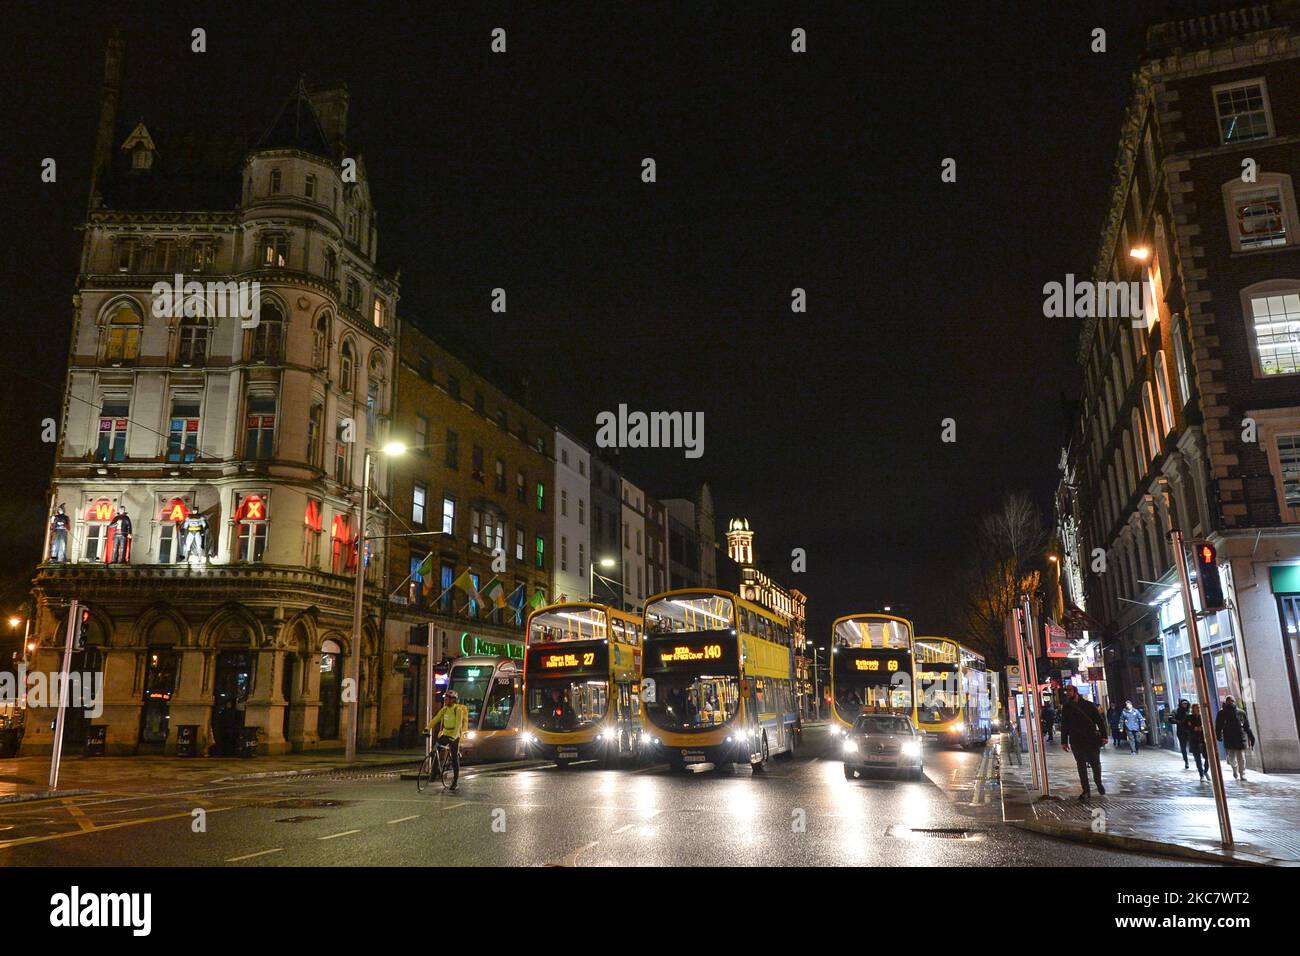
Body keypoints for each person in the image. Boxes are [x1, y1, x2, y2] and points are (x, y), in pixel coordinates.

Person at [1060, 684, 1108, 800]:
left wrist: (1104, 736)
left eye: (1070, 690)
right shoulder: (1066, 707)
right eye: (1067, 691)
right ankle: (1086, 790)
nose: (1068, 693)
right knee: (1081, 765)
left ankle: (1098, 783)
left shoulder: (1088, 705)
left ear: (1076, 692)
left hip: (1091, 739)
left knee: (1095, 763)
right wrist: (1064, 741)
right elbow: (1064, 725)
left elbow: (1099, 721)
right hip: (1076, 740)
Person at [427, 690, 469, 790]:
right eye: (444, 699)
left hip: (454, 735)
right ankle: (435, 771)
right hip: (445, 733)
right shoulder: (444, 709)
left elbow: (458, 725)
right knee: (435, 749)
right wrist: (427, 728)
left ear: (453, 700)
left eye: (447, 699)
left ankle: (455, 781)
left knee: (454, 758)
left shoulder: (457, 710)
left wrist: (453, 737)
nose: (445, 701)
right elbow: (435, 719)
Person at [1214, 696, 1255, 781]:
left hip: (1240, 738)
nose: (1230, 702)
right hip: (1229, 738)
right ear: (1226, 702)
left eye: (1232, 701)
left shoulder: (1241, 712)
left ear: (1234, 701)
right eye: (1229, 701)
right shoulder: (1222, 713)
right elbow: (1218, 726)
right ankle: (1234, 768)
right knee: (1231, 757)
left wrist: (1251, 736)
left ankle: (1242, 774)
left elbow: (1246, 726)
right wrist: (1218, 736)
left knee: (1242, 758)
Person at [1170, 699, 1193, 769]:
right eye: (1183, 704)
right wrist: (1179, 722)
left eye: (1186, 704)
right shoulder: (1176, 711)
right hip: (1181, 731)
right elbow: (1171, 719)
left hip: (1191, 731)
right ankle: (1186, 761)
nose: (1185, 705)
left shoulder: (1190, 710)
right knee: (1183, 747)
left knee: (1194, 746)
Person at [1188, 703, 1209, 780]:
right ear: (1193, 709)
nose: (1198, 709)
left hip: (1204, 740)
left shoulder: (1203, 717)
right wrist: (1193, 728)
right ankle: (1201, 774)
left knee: (1207, 757)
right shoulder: (1189, 717)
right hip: (1194, 740)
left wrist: (1202, 728)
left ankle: (1205, 770)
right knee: (1197, 759)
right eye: (1196, 708)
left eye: (1199, 707)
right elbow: (1186, 727)